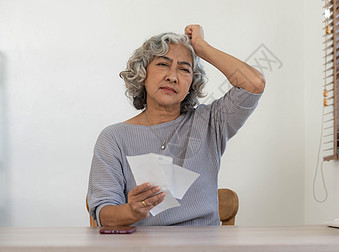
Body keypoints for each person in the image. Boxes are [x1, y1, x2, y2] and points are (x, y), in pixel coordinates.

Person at [87, 25, 265, 227]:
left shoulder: (210, 121)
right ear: (143, 73)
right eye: (163, 64)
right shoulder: (114, 138)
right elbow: (103, 214)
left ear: (192, 82)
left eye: (184, 69)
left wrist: (202, 48)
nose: (172, 77)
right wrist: (131, 211)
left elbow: (254, 84)